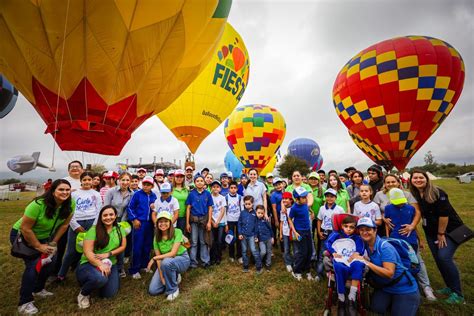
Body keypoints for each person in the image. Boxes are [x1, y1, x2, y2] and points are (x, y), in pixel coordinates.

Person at [11, 179, 75, 314]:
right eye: (61, 189)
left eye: (67, 190)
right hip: (24, 235)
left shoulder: (70, 204)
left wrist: (53, 243)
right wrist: (38, 246)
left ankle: (38, 289)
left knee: (50, 264)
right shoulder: (37, 205)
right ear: (52, 191)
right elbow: (25, 228)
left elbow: (64, 225)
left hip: (46, 237)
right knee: (34, 265)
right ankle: (25, 302)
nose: (65, 192)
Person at [374, 174, 434, 300]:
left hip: (408, 232)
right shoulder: (379, 195)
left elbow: (416, 213)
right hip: (391, 232)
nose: (390, 184)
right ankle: (401, 282)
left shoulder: (406, 194)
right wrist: (384, 219)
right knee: (395, 258)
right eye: (387, 182)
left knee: (416, 259)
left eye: (393, 182)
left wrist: (412, 226)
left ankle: (426, 286)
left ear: (398, 182)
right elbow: (376, 211)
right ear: (384, 183)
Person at [409, 169, 466, 304]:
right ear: (411, 180)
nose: (418, 180)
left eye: (421, 177)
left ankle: (458, 295)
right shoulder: (416, 194)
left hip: (450, 231)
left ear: (426, 178)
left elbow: (444, 215)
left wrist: (441, 234)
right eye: (415, 178)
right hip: (431, 232)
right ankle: (449, 287)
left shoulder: (437, 192)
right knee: (439, 260)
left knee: (444, 257)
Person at [353, 218, 420, 316]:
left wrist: (366, 262)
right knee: (375, 309)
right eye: (361, 230)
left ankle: (408, 302)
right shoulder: (364, 245)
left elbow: (389, 273)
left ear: (375, 230)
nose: (364, 232)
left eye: (368, 229)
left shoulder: (385, 247)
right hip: (385, 288)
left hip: (403, 288)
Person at [76, 205, 127, 309]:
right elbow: (87, 252)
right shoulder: (93, 230)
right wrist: (100, 264)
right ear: (100, 217)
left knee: (109, 294)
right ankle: (84, 293)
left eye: (111, 214)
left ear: (116, 215)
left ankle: (96, 281)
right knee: (100, 279)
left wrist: (109, 254)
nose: (108, 217)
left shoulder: (119, 228)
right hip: (89, 263)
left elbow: (123, 246)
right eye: (105, 215)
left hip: (110, 263)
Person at [57, 172, 102, 281]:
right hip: (77, 222)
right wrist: (75, 225)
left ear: (92, 181)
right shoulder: (74, 194)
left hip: (92, 222)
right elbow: (69, 211)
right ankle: (61, 274)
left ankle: (87, 271)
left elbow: (99, 210)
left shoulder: (96, 194)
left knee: (91, 249)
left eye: (89, 180)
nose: (87, 182)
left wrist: (95, 225)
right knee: (71, 251)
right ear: (81, 181)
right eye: (84, 180)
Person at [326, 215, 365, 316]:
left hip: (351, 259)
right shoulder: (337, 235)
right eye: (346, 226)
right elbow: (328, 243)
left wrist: (356, 253)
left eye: (351, 227)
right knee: (338, 266)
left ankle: (352, 297)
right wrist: (333, 252)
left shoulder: (357, 238)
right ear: (342, 226)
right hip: (340, 259)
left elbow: (360, 248)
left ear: (355, 228)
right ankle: (341, 299)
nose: (348, 229)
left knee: (359, 264)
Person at [147, 211, 190, 301]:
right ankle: (173, 276)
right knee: (153, 290)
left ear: (170, 222)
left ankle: (173, 290)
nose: (163, 224)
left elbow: (173, 253)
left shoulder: (177, 232)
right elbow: (159, 260)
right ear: (157, 223)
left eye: (166, 221)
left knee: (166, 262)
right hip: (165, 263)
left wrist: (154, 258)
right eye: (160, 222)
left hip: (181, 258)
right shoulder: (156, 237)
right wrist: (162, 277)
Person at [127, 176, 157, 279]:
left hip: (149, 224)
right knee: (137, 246)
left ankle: (144, 265)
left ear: (152, 186)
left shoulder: (154, 196)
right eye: (144, 184)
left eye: (148, 184)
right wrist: (134, 219)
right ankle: (134, 269)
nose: (146, 186)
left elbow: (156, 209)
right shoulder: (137, 194)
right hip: (139, 223)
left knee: (147, 245)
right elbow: (130, 208)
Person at [104, 172, 133, 277]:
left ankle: (120, 268)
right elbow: (105, 207)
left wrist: (122, 223)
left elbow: (127, 209)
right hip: (109, 218)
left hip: (122, 220)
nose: (125, 182)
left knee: (120, 244)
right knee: (108, 242)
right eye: (123, 180)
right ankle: (105, 264)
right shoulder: (111, 191)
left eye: (127, 180)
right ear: (118, 180)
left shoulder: (132, 194)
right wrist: (110, 220)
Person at [316, 188, 345, 278]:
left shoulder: (339, 209)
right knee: (322, 252)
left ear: (335, 198)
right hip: (325, 232)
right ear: (325, 198)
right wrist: (319, 231)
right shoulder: (322, 208)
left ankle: (333, 272)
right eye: (327, 196)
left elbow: (343, 222)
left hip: (335, 233)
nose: (330, 199)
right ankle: (319, 273)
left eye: (332, 197)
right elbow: (319, 220)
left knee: (335, 252)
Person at [186, 174, 213, 268]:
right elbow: (188, 208)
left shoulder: (207, 194)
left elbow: (210, 208)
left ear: (204, 182)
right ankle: (193, 262)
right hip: (194, 221)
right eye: (197, 181)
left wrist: (209, 222)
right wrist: (187, 223)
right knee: (194, 242)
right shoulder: (191, 194)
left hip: (204, 221)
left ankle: (205, 261)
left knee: (203, 241)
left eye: (201, 180)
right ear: (194, 182)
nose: (200, 182)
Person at [287, 187, 313, 281]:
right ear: (297, 199)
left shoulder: (305, 204)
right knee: (303, 252)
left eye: (305, 197)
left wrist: (311, 212)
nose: (306, 199)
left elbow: (307, 208)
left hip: (307, 231)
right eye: (303, 197)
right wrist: (295, 232)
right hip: (300, 232)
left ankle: (307, 270)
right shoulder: (294, 208)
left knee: (309, 251)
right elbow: (290, 219)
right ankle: (297, 271)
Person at [238, 195, 262, 274]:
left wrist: (256, 236)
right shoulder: (242, 213)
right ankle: (245, 266)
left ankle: (258, 266)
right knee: (244, 251)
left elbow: (256, 226)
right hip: (243, 235)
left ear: (252, 204)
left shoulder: (255, 214)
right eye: (246, 204)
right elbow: (239, 223)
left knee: (254, 250)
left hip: (252, 235)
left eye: (249, 204)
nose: (247, 205)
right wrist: (240, 233)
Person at [209, 180, 227, 265]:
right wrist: (213, 221)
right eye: (213, 187)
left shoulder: (222, 198)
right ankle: (212, 257)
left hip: (221, 222)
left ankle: (218, 257)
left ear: (220, 188)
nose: (215, 188)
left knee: (219, 240)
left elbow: (223, 210)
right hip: (212, 222)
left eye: (217, 187)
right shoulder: (209, 197)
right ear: (211, 188)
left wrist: (218, 221)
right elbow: (208, 210)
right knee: (212, 241)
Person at [226, 181, 243, 263]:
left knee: (239, 238)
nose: (233, 189)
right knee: (230, 238)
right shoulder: (226, 197)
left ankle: (239, 255)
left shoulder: (240, 197)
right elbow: (225, 210)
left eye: (234, 188)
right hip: (229, 220)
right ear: (229, 189)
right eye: (231, 188)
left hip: (238, 221)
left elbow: (242, 209)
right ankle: (231, 255)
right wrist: (226, 222)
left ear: (237, 189)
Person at [280, 192, 294, 272]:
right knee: (286, 248)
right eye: (283, 199)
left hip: (293, 232)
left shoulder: (293, 209)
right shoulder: (282, 211)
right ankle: (288, 263)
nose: (284, 200)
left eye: (286, 199)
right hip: (285, 232)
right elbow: (281, 222)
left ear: (291, 200)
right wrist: (281, 233)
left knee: (295, 248)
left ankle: (295, 261)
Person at [256, 205, 273, 270]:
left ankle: (268, 264)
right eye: (258, 213)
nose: (260, 214)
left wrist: (272, 237)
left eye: (262, 213)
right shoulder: (255, 221)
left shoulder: (265, 219)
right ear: (256, 212)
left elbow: (270, 228)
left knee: (269, 251)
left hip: (268, 238)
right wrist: (255, 237)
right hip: (261, 240)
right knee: (263, 252)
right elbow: (254, 230)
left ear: (264, 213)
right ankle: (258, 262)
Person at [270, 177, 284, 247]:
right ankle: (274, 243)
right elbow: (274, 208)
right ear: (274, 186)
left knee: (282, 230)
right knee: (274, 229)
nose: (278, 186)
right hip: (276, 216)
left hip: (283, 216)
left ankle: (282, 244)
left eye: (280, 184)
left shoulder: (284, 193)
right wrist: (276, 220)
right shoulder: (273, 195)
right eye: (276, 185)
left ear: (282, 184)